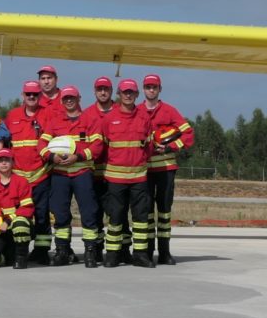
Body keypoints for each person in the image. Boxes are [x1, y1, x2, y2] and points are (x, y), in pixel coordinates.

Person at [41, 87, 104, 267]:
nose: (69, 101)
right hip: (60, 174)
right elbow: (42, 143)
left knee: (89, 212)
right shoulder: (54, 122)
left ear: (79, 98)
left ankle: (90, 252)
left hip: (82, 173)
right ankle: (62, 251)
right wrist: (51, 157)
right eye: (66, 98)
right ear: (62, 100)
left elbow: (98, 146)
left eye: (72, 98)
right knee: (60, 213)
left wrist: (79, 156)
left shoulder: (91, 120)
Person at [98, 78, 156, 268]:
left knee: (140, 218)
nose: (128, 95)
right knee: (115, 218)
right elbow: (104, 148)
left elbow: (148, 146)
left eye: (131, 92)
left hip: (139, 178)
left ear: (137, 94)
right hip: (115, 178)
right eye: (125, 92)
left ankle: (140, 254)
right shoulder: (108, 119)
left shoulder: (144, 118)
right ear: (119, 95)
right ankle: (113, 254)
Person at [141, 74, 195, 265]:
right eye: (148, 87)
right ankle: (146, 251)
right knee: (145, 212)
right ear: (143, 89)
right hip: (144, 171)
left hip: (166, 169)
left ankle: (164, 252)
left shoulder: (170, 111)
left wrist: (171, 146)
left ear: (160, 89)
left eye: (154, 87)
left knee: (164, 212)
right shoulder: (138, 111)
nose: (151, 90)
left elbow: (188, 134)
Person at [2, 79, 53, 263]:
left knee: (41, 214)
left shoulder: (48, 114)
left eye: (35, 94)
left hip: (40, 175)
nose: (32, 97)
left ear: (40, 96)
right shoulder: (12, 115)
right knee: (16, 214)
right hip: (18, 178)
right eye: (28, 94)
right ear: (22, 95)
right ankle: (16, 248)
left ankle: (41, 250)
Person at [83, 76, 122, 258]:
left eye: (106, 89)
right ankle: (97, 250)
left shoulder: (122, 111)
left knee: (117, 214)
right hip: (94, 173)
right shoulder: (88, 114)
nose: (103, 92)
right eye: (100, 89)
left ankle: (120, 251)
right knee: (95, 213)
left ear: (111, 91)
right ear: (95, 91)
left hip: (117, 174)